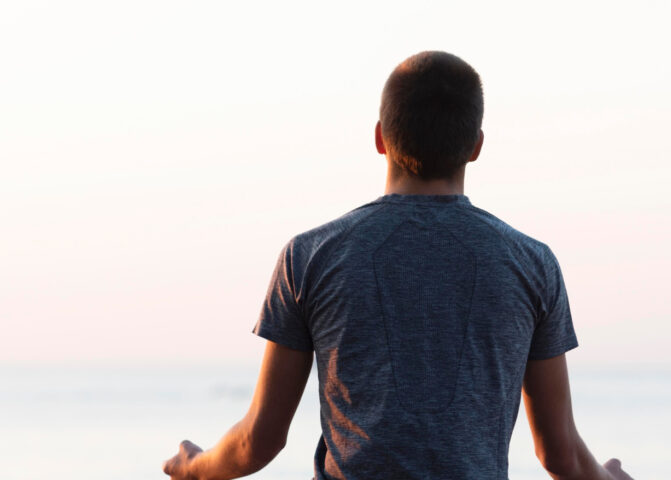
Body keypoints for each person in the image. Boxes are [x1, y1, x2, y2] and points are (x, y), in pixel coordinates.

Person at [162, 51, 634, 480]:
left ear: (380, 138)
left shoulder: (311, 256)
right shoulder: (531, 265)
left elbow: (258, 442)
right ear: (476, 145)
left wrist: (194, 467)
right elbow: (561, 457)